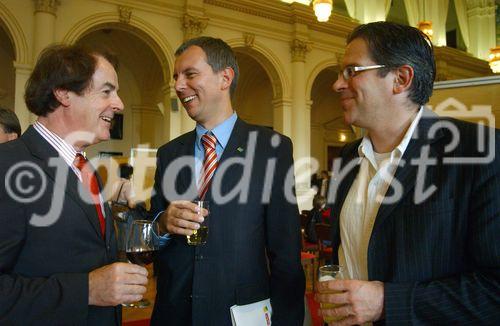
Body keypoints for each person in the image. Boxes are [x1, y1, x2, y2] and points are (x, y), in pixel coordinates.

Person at [317, 21, 500, 324]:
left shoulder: (480, 152)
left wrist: (386, 302)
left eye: (351, 71)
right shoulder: (349, 158)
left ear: (400, 78)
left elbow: (494, 290)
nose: (337, 84)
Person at [150, 36, 305, 325]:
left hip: (241, 313)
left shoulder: (272, 148)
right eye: (176, 77)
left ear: (225, 78)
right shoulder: (169, 154)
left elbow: (285, 253)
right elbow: (153, 227)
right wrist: (162, 223)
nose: (179, 85)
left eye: (190, 74)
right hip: (175, 312)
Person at [0, 44, 148, 324]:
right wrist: (86, 290)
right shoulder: (7, 165)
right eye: (107, 91)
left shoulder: (87, 168)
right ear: (63, 92)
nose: (119, 104)